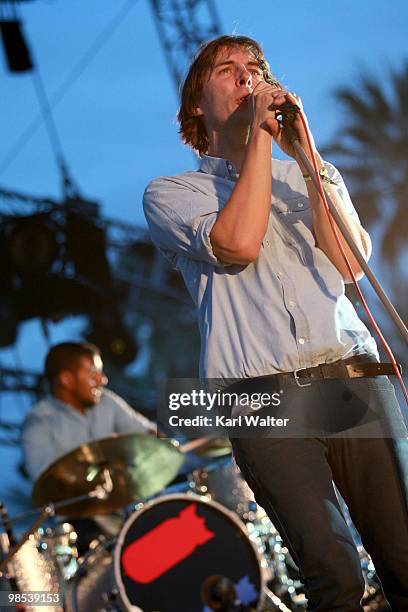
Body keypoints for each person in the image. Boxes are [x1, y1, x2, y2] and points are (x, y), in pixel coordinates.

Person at [143, 35, 408, 610]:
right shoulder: (173, 192)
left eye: (257, 68)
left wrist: (308, 161)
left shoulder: (312, 173)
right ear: (196, 105)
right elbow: (236, 243)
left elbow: (350, 265)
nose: (248, 77)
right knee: (333, 576)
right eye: (229, 70)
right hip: (257, 395)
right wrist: (262, 143)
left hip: (352, 376)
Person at [22, 341, 156, 481]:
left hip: (124, 499)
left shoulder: (107, 401)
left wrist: (159, 438)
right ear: (66, 380)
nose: (102, 380)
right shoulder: (38, 422)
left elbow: (146, 431)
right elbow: (46, 481)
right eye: (93, 372)